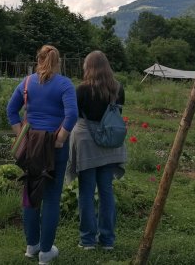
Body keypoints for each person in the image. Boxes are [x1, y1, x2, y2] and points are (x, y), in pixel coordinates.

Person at [7, 45, 78, 265]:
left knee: (30, 192)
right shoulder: (65, 84)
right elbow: (72, 114)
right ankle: (46, 253)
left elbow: (11, 110)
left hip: (32, 146)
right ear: (58, 62)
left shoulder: (26, 83)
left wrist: (23, 136)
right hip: (53, 147)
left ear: (38, 60)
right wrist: (60, 139)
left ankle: (32, 246)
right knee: (51, 199)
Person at [68, 50, 126, 251]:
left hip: (86, 143)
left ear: (88, 67)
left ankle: (87, 241)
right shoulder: (118, 89)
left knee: (86, 191)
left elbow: (74, 115)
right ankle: (108, 240)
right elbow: (115, 116)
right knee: (106, 191)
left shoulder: (81, 90)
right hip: (109, 144)